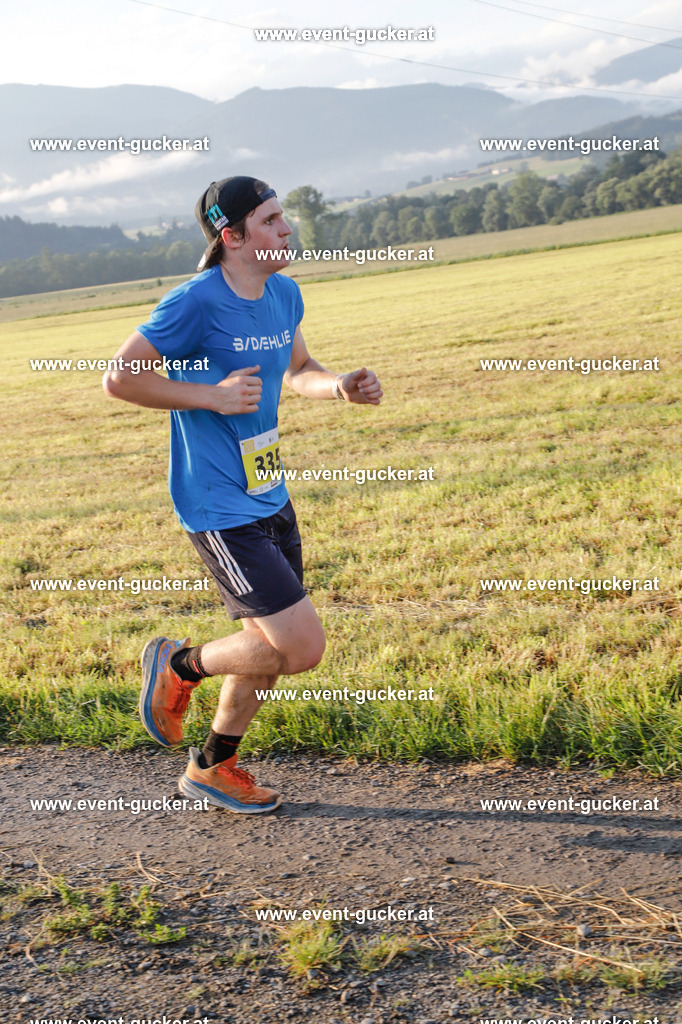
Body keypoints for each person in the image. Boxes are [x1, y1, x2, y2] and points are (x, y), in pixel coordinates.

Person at [102, 175, 382, 814]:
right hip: (219, 506)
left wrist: (338, 385)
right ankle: (180, 665)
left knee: (267, 649)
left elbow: (300, 370)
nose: (287, 229)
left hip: (269, 492)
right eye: (272, 220)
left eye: (284, 218)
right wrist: (211, 395)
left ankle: (213, 767)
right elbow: (121, 378)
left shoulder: (283, 294)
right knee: (300, 647)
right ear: (232, 237)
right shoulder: (196, 302)